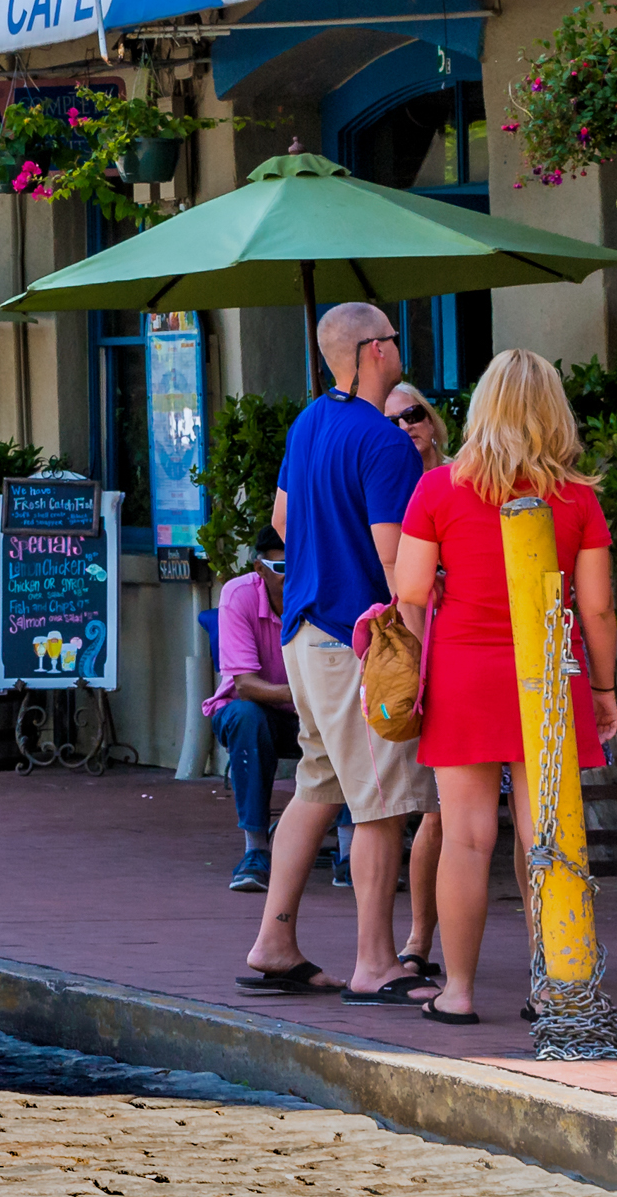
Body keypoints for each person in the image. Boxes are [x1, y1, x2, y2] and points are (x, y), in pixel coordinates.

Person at [391, 348, 617, 1030]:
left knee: (466, 839)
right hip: (549, 675)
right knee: (547, 835)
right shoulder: (577, 498)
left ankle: (458, 991)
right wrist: (604, 689)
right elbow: (597, 608)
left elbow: (410, 590)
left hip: (463, 674)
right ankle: (554, 987)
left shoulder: (439, 488)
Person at [242, 300, 434, 1007]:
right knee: (381, 801)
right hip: (357, 637)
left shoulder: (309, 422)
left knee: (318, 786)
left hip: (302, 631)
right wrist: (417, 649)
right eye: (393, 336)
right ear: (374, 350)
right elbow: (394, 560)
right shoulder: (385, 442)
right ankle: (376, 963)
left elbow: (282, 520)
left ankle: (274, 943)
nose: (399, 346)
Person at [385, 380, 454, 970]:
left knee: (454, 813)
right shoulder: (390, 484)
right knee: (433, 810)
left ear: (430, 420)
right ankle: (419, 937)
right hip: (418, 652)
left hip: (465, 651)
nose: (405, 427)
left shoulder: (459, 478)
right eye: (391, 421)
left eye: (412, 414)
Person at [207, 530, 300, 893]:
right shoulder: (239, 594)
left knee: (349, 719)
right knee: (247, 717)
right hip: (258, 711)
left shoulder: (324, 590)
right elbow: (245, 685)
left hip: (313, 713)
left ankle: (349, 850)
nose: (293, 575)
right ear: (259, 568)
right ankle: (255, 850)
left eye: (302, 563)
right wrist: (309, 696)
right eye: (282, 567)